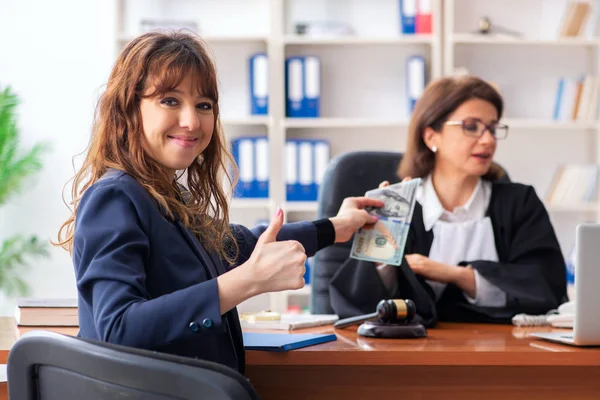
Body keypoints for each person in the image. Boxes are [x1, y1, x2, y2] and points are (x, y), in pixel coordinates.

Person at [54, 31, 383, 373]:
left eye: (204, 105)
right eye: (170, 100)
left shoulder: (164, 197)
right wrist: (247, 282)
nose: (192, 121)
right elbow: (117, 329)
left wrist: (336, 227)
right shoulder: (115, 197)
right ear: (129, 110)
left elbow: (238, 245)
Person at [329, 75, 567, 326]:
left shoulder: (520, 203)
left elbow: (547, 290)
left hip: (501, 351)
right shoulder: (396, 207)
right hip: (413, 354)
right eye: (471, 126)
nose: (488, 140)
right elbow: (358, 310)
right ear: (431, 136)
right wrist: (381, 252)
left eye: (493, 128)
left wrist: (456, 275)